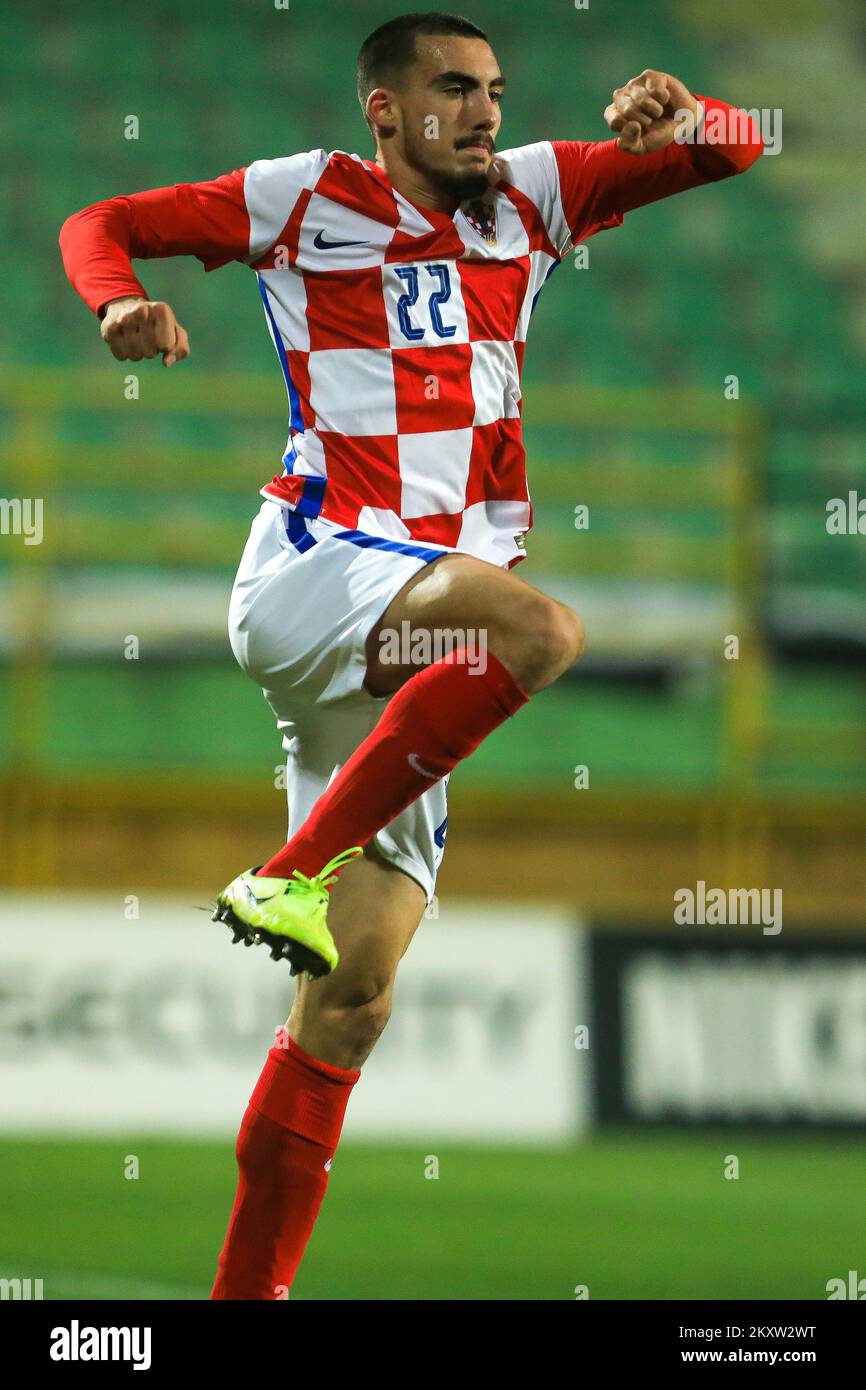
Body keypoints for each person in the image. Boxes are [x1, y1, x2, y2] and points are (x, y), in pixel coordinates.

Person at [60, 10, 764, 1299]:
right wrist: (119, 304)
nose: (487, 109)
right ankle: (286, 868)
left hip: (410, 643)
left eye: (495, 87)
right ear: (385, 111)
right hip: (317, 569)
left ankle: (243, 1298)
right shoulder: (302, 198)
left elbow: (748, 150)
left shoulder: (535, 199)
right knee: (539, 629)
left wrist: (694, 116)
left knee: (353, 1001)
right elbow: (95, 222)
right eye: (455, 88)